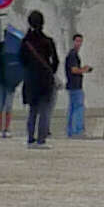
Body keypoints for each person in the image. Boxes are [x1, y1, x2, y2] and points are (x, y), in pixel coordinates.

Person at [19, 10, 61, 147]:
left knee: (32, 111)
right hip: (45, 81)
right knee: (44, 111)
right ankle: (41, 140)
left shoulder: (25, 42)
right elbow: (56, 61)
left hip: (31, 80)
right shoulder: (48, 41)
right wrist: (49, 71)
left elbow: (22, 60)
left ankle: (30, 139)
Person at [0, 16, 26, 138]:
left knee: (8, 106)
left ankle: (7, 128)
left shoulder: (18, 49)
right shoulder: (1, 46)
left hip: (11, 81)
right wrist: (3, 55)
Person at [63, 31, 88, 140]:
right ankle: (77, 130)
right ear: (73, 42)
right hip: (75, 86)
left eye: (80, 41)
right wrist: (84, 70)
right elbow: (74, 70)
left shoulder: (72, 54)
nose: (79, 43)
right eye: (77, 41)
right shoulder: (73, 55)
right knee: (78, 107)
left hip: (73, 85)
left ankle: (71, 130)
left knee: (73, 107)